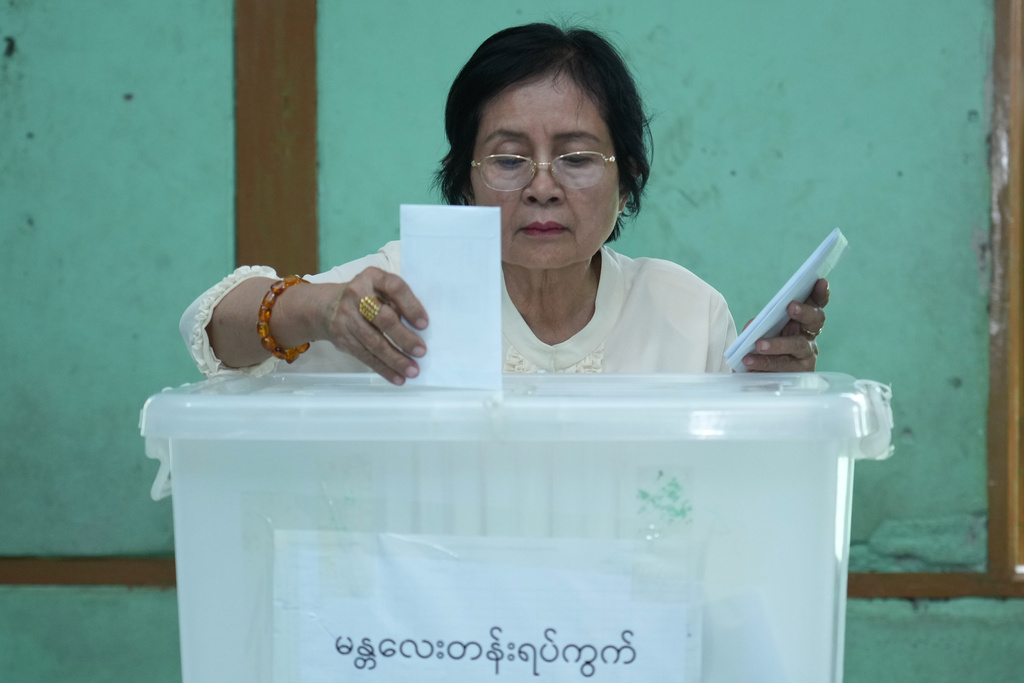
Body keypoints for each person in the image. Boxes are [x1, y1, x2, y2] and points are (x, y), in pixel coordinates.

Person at [181, 23, 828, 383]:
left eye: (576, 158)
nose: (542, 186)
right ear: (464, 181)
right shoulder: (401, 293)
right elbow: (208, 329)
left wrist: (774, 390)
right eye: (509, 158)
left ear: (627, 178)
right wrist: (318, 309)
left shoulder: (687, 312)